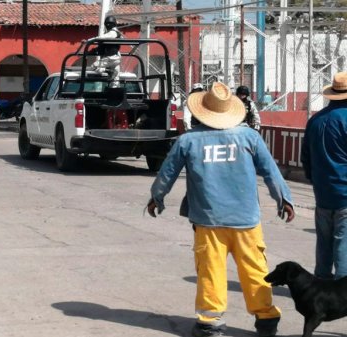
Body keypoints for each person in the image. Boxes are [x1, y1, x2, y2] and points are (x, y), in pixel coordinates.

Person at [146, 82, 295, 337]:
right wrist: (284, 199)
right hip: (246, 220)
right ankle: (266, 318)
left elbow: (167, 172)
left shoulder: (188, 141)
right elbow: (270, 171)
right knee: (255, 269)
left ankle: (210, 322)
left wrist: (156, 198)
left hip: (208, 220)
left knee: (210, 270)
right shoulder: (249, 137)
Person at [302, 71, 347, 280]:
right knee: (343, 242)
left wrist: (315, 180)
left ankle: (321, 281)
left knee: (324, 241)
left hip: (322, 191)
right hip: (344, 192)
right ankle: (342, 288)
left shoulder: (315, 120)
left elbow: (306, 158)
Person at [90, 15, 123, 88]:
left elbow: (103, 37)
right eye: (107, 23)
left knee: (93, 66)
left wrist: (90, 40)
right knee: (115, 78)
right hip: (116, 58)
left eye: (109, 23)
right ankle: (114, 90)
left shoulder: (113, 33)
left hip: (111, 57)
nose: (108, 25)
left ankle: (108, 71)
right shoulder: (116, 32)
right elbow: (102, 45)